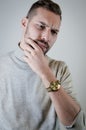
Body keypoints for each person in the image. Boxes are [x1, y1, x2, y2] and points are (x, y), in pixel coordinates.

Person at [0, 0, 86, 130]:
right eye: (41, 26)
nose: (46, 37)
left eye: (54, 32)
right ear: (24, 23)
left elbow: (78, 126)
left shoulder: (60, 69)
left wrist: (45, 72)